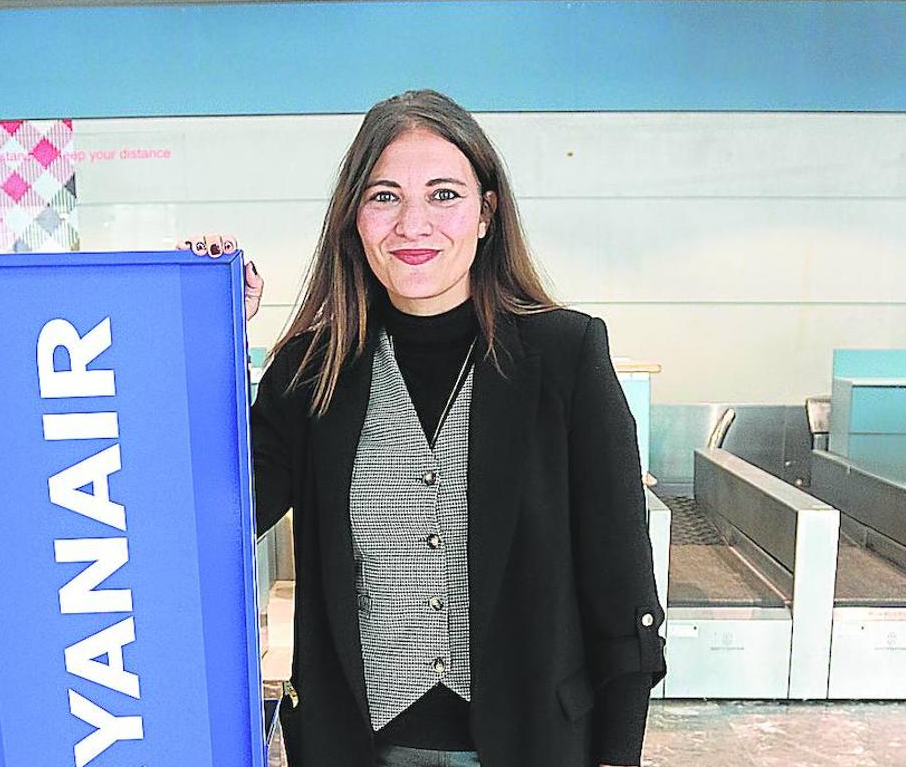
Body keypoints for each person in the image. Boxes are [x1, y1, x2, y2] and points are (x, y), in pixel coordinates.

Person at [182, 89, 665, 767]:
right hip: (355, 743)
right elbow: (218, 510)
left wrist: (618, 751)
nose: (413, 223)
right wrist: (206, 332)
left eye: (443, 194)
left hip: (534, 740)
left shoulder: (565, 355)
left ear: (486, 213)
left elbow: (620, 577)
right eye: (384, 197)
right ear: (354, 217)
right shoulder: (311, 369)